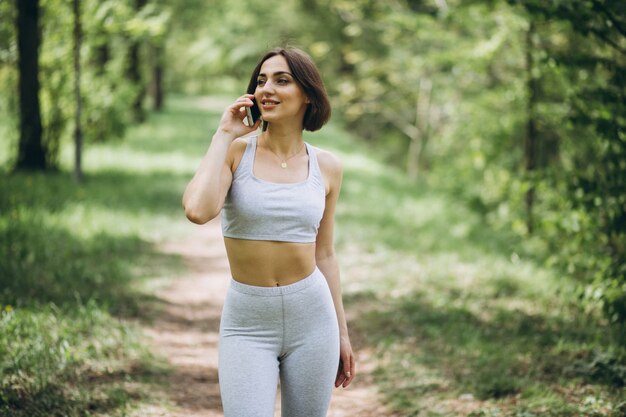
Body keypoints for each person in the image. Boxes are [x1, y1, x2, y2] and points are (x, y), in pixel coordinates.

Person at [182, 47, 355, 417]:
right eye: (261, 81)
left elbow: (325, 253)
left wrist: (341, 333)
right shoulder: (236, 153)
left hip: (313, 318)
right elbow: (197, 210)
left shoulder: (327, 167)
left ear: (307, 94)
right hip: (248, 322)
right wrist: (223, 134)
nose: (266, 89)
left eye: (281, 80)